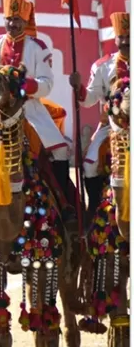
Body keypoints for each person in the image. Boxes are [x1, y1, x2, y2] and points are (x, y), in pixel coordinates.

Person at [0, 0, 77, 226]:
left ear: (26, 20)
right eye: (10, 18)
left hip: (28, 107)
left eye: (18, 19)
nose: (13, 24)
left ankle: (65, 204)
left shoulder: (37, 47)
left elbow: (47, 84)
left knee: (59, 150)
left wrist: (25, 84)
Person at [71, 11, 129, 221]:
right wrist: (79, 89)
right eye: (121, 37)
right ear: (115, 38)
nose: (125, 42)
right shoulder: (102, 65)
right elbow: (90, 98)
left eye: (129, 37)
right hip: (111, 126)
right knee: (89, 162)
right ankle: (93, 210)